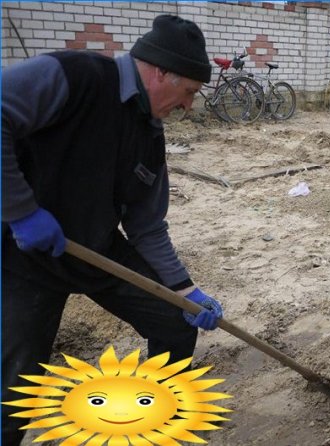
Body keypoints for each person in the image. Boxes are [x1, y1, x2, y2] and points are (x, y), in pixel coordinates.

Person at [1, 15, 223, 445]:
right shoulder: (74, 76)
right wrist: (21, 211)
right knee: (13, 390)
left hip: (95, 250)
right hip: (23, 255)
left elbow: (146, 225)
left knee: (176, 324)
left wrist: (185, 289)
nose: (189, 107)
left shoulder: (149, 136)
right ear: (161, 72)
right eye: (190, 93)